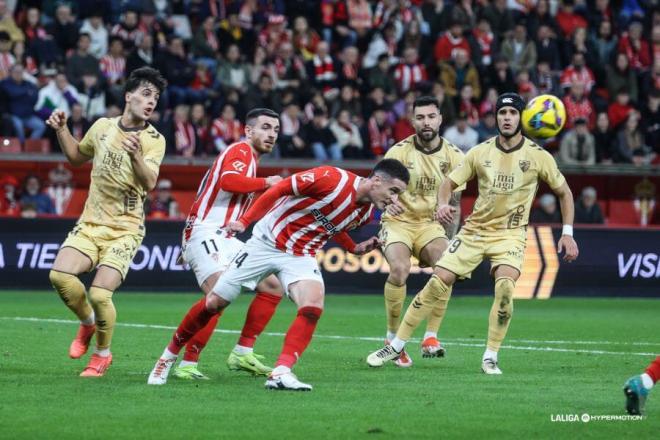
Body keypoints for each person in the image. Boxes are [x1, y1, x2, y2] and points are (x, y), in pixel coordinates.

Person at [148, 159, 410, 390]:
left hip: (301, 255)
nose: (394, 199)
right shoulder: (331, 178)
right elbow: (280, 188)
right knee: (214, 303)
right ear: (376, 180)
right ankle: (167, 357)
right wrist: (245, 221)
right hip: (265, 243)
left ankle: (281, 372)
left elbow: (332, 225)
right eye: (394, 191)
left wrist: (353, 247)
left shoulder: (365, 213)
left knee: (313, 304)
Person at [367, 93, 579, 374]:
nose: (506, 118)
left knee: (505, 289)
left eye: (512, 113)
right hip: (474, 231)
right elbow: (449, 183)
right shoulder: (480, 152)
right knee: (437, 280)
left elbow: (564, 192)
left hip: (510, 234)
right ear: (496, 118)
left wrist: (567, 232)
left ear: (522, 118)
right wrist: (442, 204)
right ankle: (395, 344)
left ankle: (490, 355)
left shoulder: (539, 157)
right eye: (502, 114)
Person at [45, 67, 167, 377]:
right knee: (60, 276)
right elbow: (76, 157)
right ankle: (87, 324)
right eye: (146, 94)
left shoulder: (154, 140)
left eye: (156, 97)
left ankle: (102, 354)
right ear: (129, 96)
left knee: (100, 294)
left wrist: (137, 155)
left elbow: (149, 182)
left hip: (125, 229)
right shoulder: (101, 127)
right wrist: (61, 129)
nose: (151, 101)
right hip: (90, 223)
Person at [167, 108, 287, 381]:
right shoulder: (241, 151)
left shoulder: (250, 159)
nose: (271, 134)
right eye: (266, 127)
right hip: (207, 232)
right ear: (248, 130)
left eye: (276, 130)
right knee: (218, 296)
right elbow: (228, 181)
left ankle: (242, 352)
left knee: (271, 286)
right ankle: (187, 363)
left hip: (225, 237)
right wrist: (266, 182)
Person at [378, 96, 464, 368]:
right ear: (412, 121)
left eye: (431, 116)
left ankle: (430, 337)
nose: (426, 122)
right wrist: (386, 203)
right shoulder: (398, 153)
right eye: (420, 117)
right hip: (398, 222)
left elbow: (455, 204)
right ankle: (392, 341)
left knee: (447, 267)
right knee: (399, 269)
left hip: (429, 225)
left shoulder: (455, 156)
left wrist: (451, 238)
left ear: (440, 119)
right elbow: (378, 188)